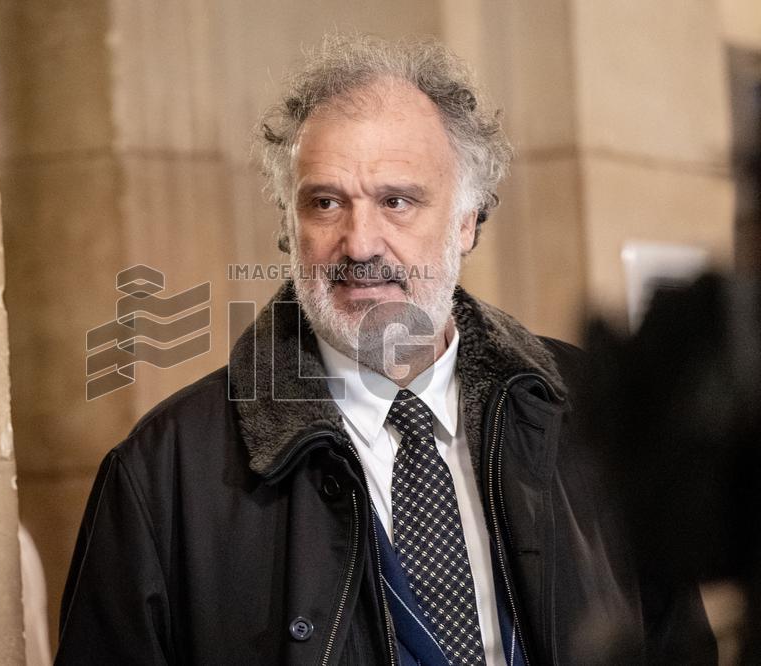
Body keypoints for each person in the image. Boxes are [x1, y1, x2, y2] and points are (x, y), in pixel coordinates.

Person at [55, 34, 716, 665]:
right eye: (325, 203)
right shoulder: (164, 474)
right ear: (289, 224)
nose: (360, 242)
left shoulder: (595, 417)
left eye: (396, 201)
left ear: (466, 221)